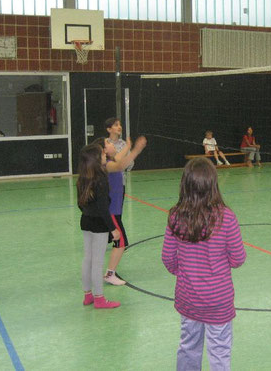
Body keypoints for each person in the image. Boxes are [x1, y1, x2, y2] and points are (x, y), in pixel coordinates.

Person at [161, 157, 246, 370]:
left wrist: (186, 272)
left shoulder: (175, 216)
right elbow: (238, 258)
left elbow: (168, 258)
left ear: (185, 185)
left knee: (189, 346)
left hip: (188, 297)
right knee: (219, 352)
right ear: (213, 185)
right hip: (219, 300)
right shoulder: (227, 217)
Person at [93, 136, 147, 286]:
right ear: (103, 150)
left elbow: (120, 158)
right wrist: (137, 149)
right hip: (111, 211)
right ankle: (110, 274)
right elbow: (121, 165)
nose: (112, 144)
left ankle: (106, 272)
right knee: (121, 242)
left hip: (114, 210)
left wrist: (128, 145)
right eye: (108, 143)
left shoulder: (111, 160)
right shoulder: (108, 165)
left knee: (115, 242)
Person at [76, 143, 121, 309]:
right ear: (96, 159)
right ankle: (100, 298)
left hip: (86, 220)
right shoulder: (101, 178)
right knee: (97, 262)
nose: (105, 155)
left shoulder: (82, 177)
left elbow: (80, 204)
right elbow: (103, 208)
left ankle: (87, 295)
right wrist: (113, 229)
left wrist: (89, 211)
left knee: (87, 259)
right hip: (99, 224)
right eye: (102, 154)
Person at [105, 117, 134, 186]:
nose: (119, 127)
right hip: (106, 182)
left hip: (121, 183)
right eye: (116, 125)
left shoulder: (124, 144)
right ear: (109, 129)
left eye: (120, 125)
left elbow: (130, 164)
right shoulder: (105, 143)